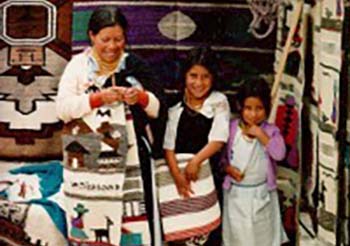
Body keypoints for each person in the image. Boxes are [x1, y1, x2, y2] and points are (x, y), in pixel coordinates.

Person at [56, 6, 165, 246]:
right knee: (92, 221)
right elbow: (62, 110)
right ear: (92, 36)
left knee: (133, 222)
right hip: (88, 161)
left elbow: (158, 108)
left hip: (132, 160)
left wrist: (141, 97)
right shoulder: (77, 66)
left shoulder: (134, 65)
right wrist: (97, 99)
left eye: (119, 39)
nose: (112, 46)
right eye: (105, 39)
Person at [158, 47, 230, 245]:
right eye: (193, 76)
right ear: (185, 76)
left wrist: (197, 161)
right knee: (180, 232)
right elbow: (168, 145)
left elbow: (219, 137)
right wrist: (177, 176)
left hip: (206, 176)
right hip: (179, 179)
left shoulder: (218, 102)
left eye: (205, 77)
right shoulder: (175, 106)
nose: (199, 83)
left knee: (206, 232)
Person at [221, 77, 289, 246]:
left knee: (262, 236)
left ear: (267, 108)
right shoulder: (231, 129)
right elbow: (221, 159)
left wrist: (261, 135)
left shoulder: (270, 132)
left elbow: (279, 154)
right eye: (248, 108)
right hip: (236, 194)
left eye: (259, 108)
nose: (253, 114)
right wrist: (228, 169)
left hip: (261, 194)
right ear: (240, 107)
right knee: (238, 237)